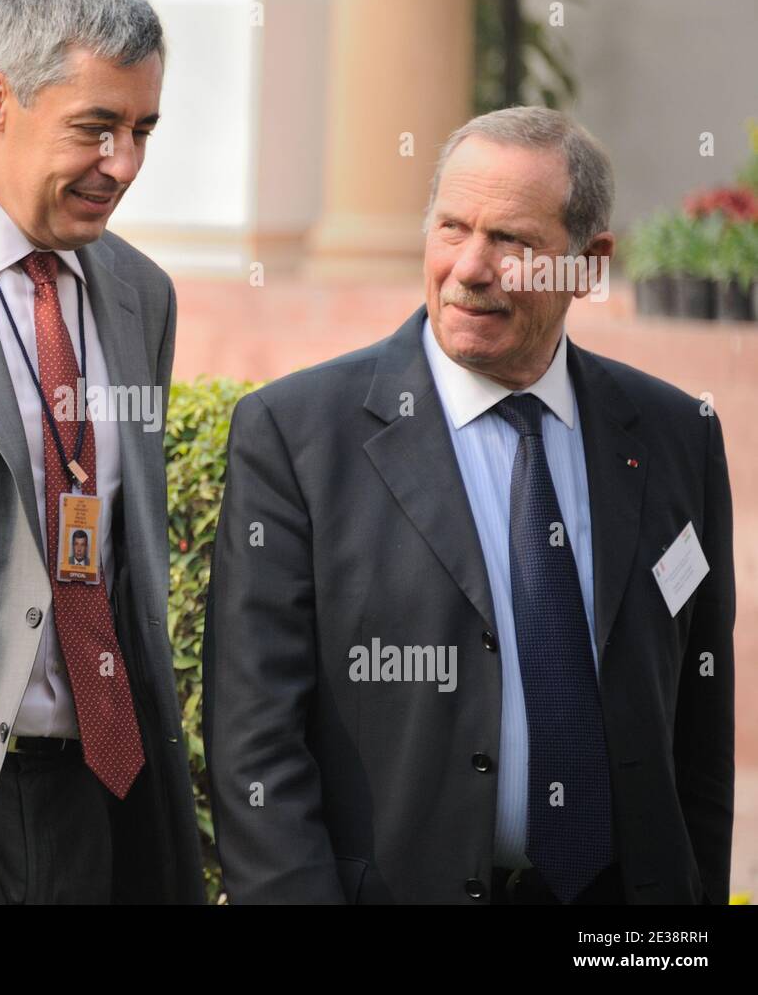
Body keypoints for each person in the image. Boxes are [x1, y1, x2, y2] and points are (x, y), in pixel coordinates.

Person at [204, 106, 734, 906]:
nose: (470, 268)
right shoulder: (297, 435)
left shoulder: (674, 435)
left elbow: (700, 723)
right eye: (452, 228)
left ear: (589, 267)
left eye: (513, 242)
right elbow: (255, 741)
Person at [0, 0, 203, 904]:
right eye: (96, 128)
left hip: (102, 793)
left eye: (141, 130)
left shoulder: (143, 295)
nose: (125, 164)